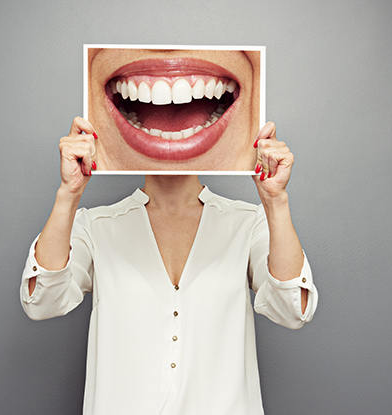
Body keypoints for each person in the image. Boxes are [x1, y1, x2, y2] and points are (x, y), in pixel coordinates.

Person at [20, 117, 318, 414]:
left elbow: (292, 309)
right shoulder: (96, 226)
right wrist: (68, 193)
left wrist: (275, 200)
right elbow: (42, 301)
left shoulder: (248, 222)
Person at [87, 47, 262, 171]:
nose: (169, 44)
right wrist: (69, 194)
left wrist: (274, 199)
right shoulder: (88, 219)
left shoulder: (255, 216)